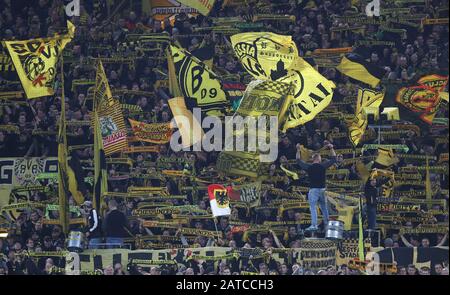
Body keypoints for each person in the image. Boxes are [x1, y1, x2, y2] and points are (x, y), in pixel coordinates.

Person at [296, 142, 336, 231]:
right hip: (322, 190)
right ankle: (327, 223)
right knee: (324, 207)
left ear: (313, 159)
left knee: (313, 207)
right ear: (319, 158)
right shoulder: (323, 166)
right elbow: (334, 159)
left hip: (313, 190)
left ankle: (314, 225)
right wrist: (331, 148)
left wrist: (298, 150)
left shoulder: (309, 167)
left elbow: (298, 160)